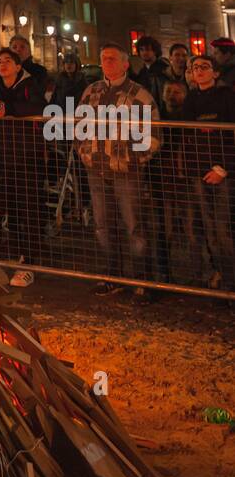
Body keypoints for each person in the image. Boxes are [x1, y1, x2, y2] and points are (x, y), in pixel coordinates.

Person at [77, 44, 159, 299]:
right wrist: (85, 152)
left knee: (133, 224)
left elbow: (154, 132)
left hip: (126, 171)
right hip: (97, 169)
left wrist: (135, 159)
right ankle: (111, 275)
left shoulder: (139, 95)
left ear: (125, 64)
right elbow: (79, 125)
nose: (107, 62)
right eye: (104, 59)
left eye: (112, 58)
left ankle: (141, 279)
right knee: (102, 224)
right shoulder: (92, 91)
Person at [0, 49, 46, 276]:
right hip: (1, 155)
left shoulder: (30, 85)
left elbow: (39, 107)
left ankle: (27, 259)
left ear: (19, 66)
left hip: (26, 156)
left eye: (8, 61)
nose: (3, 65)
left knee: (25, 208)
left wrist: (10, 110)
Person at [180, 55, 235, 292]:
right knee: (209, 227)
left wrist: (223, 168)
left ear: (215, 72)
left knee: (223, 229)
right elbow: (186, 136)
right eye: (195, 68)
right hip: (198, 173)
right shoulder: (190, 99)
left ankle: (232, 279)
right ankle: (221, 277)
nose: (199, 71)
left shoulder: (227, 97)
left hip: (221, 172)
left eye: (205, 67)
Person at [130, 35, 168, 112]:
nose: (144, 52)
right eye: (141, 49)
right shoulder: (143, 72)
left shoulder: (164, 69)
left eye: (147, 49)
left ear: (155, 51)